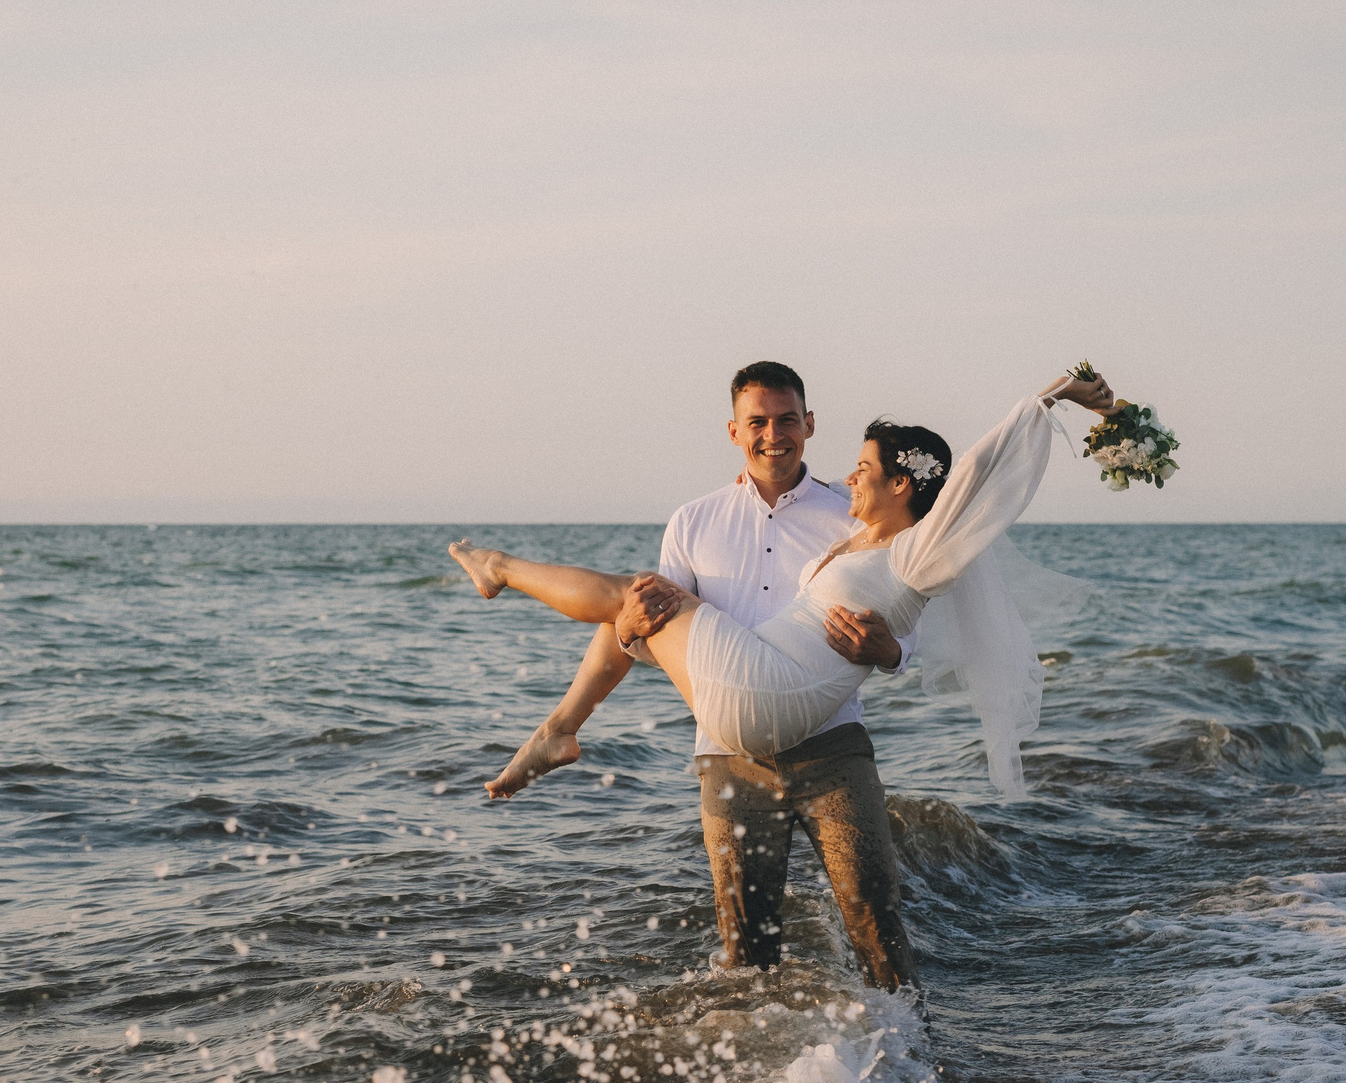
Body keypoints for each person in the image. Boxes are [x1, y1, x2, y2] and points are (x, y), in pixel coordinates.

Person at [450, 364, 1118, 990]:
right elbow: (634, 629)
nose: (776, 434)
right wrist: (631, 628)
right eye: (760, 421)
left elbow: (968, 497)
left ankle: (506, 584)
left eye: (788, 419)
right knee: (747, 949)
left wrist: (1052, 394)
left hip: (825, 743)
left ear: (810, 423)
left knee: (876, 928)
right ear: (736, 431)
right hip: (732, 746)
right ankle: (770, 1081)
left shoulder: (868, 520)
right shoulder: (700, 519)